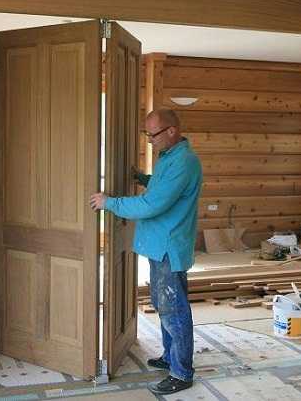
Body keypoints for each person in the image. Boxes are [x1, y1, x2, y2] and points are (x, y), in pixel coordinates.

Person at [89, 108, 202, 395]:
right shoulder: (169, 157)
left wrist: (110, 203)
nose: (149, 141)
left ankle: (181, 372)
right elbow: (163, 187)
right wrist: (143, 178)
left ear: (172, 131)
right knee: (165, 304)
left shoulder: (184, 162)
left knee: (173, 310)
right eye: (147, 134)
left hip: (168, 246)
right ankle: (170, 356)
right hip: (159, 244)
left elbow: (153, 204)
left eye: (153, 135)